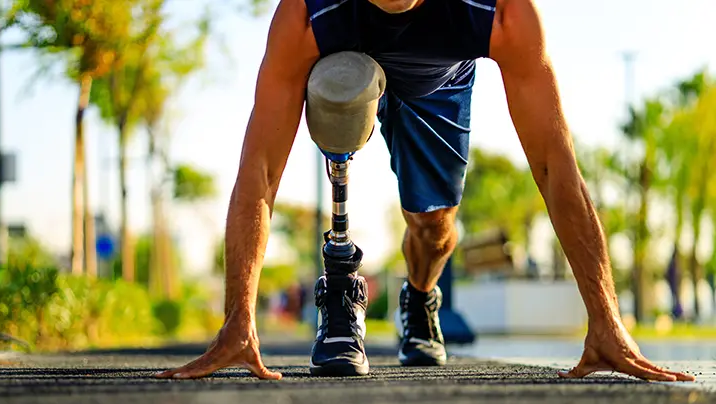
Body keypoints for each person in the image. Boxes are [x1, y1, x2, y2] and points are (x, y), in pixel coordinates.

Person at [156, 0, 695, 382]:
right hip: (341, 67)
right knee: (337, 92)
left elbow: (556, 168)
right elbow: (261, 172)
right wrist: (238, 321)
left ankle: (418, 296)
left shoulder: (501, 10)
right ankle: (339, 282)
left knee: (434, 228)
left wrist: (606, 321)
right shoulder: (307, 13)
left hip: (438, 84)